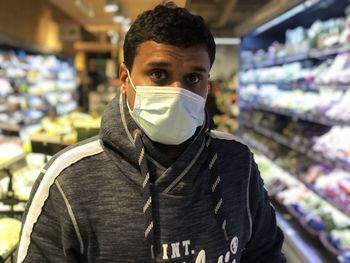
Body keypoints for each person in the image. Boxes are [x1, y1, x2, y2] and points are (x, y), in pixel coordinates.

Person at [17, 2, 285, 262]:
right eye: (159, 74)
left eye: (193, 78)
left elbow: (265, 253)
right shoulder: (69, 180)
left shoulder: (237, 163)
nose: (177, 92)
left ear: (208, 84)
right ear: (125, 80)